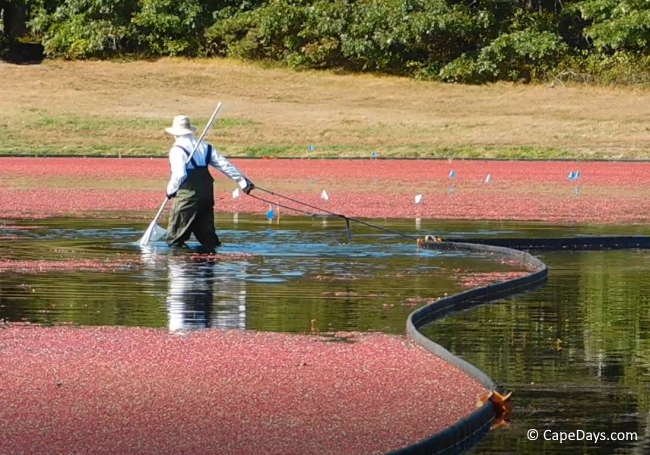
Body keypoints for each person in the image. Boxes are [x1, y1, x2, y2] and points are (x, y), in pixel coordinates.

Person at [164, 115, 254, 251]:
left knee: (175, 239)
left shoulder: (177, 150)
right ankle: (208, 269)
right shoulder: (205, 147)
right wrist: (243, 182)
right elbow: (225, 165)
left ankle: (180, 267)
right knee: (208, 239)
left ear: (175, 133)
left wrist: (170, 190)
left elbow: (180, 174)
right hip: (206, 196)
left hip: (187, 197)